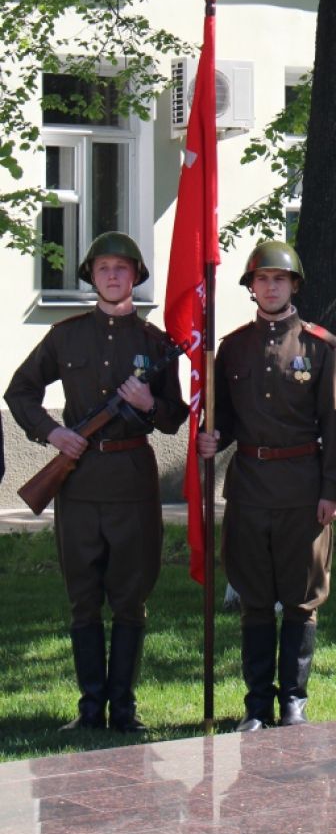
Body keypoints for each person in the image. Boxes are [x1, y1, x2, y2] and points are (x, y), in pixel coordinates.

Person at [4, 232, 188, 732]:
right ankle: (89, 710)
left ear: (135, 277)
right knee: (83, 595)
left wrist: (150, 405)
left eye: (122, 268)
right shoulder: (66, 336)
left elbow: (174, 415)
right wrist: (52, 432)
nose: (112, 275)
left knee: (130, 595)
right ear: (91, 275)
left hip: (131, 480)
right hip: (78, 482)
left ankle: (123, 709)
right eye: (104, 267)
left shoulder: (155, 345)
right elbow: (20, 391)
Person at [196, 240, 336, 731]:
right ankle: (256, 705)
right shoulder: (234, 347)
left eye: (279, 279)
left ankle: (294, 701)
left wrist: (332, 489)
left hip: (303, 489)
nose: (270, 286)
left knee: (301, 598)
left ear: (294, 286)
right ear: (251, 288)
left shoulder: (318, 347)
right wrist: (213, 437)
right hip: (248, 488)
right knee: (256, 599)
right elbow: (224, 418)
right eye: (261, 279)